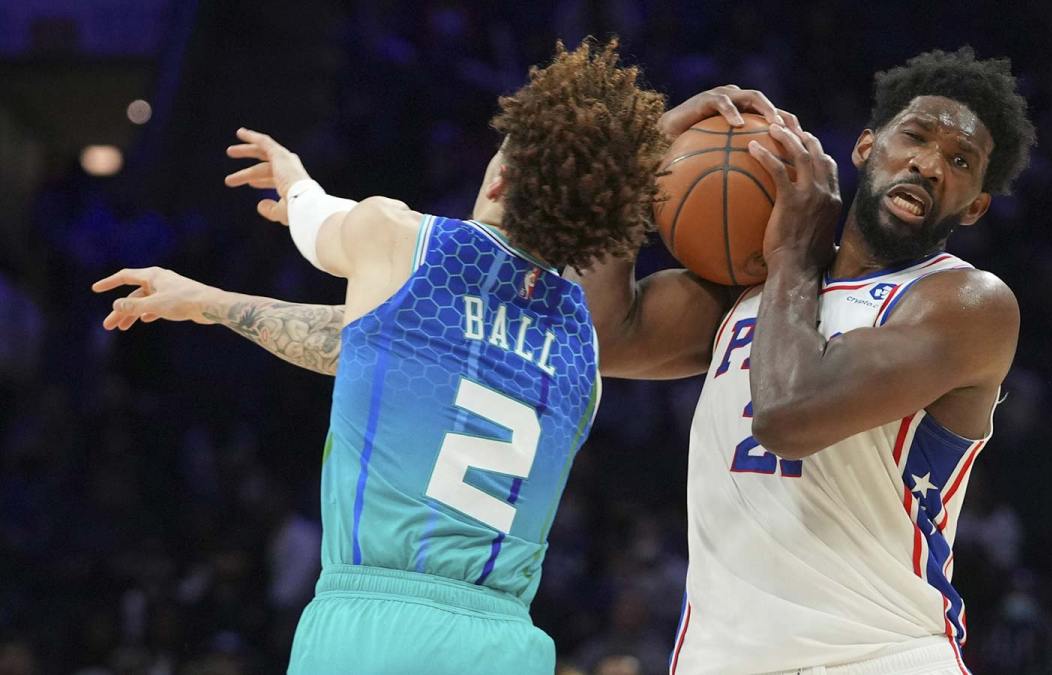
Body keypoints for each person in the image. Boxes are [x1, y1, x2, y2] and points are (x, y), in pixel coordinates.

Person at [95, 39, 671, 674]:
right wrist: (212, 300)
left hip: (373, 627)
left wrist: (296, 186)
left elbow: (321, 234)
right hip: (506, 644)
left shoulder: (401, 239)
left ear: (501, 176)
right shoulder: (583, 349)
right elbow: (379, 349)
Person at [582, 47, 1035, 674]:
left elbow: (788, 418)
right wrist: (640, 159)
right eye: (916, 137)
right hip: (718, 659)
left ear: (976, 206)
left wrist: (792, 252)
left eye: (961, 162)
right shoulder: (755, 288)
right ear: (866, 147)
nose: (930, 165)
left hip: (875, 654)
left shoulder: (964, 304)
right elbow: (600, 332)